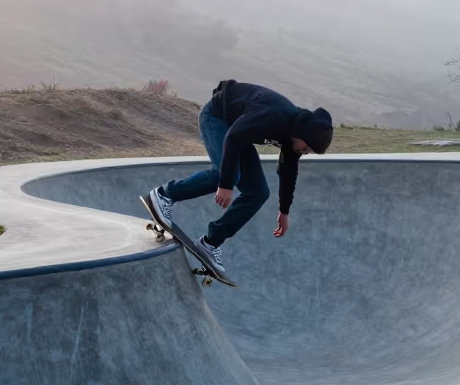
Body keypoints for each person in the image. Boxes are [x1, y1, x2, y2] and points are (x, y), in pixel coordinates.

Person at [142, 80, 333, 276]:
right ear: (303, 134)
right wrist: (226, 184)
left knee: (258, 193)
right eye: (307, 147)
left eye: (310, 151)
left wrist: (284, 210)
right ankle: (164, 195)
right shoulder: (274, 114)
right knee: (226, 173)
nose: (306, 152)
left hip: (239, 133)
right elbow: (232, 137)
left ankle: (210, 242)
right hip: (217, 118)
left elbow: (288, 173)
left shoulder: (294, 141)